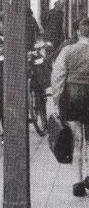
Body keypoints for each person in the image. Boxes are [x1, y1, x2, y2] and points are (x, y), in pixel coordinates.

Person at [51, 18, 89, 197]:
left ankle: (78, 181)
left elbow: (58, 77)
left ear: (78, 32)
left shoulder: (68, 50)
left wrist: (57, 101)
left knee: (78, 140)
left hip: (72, 97)